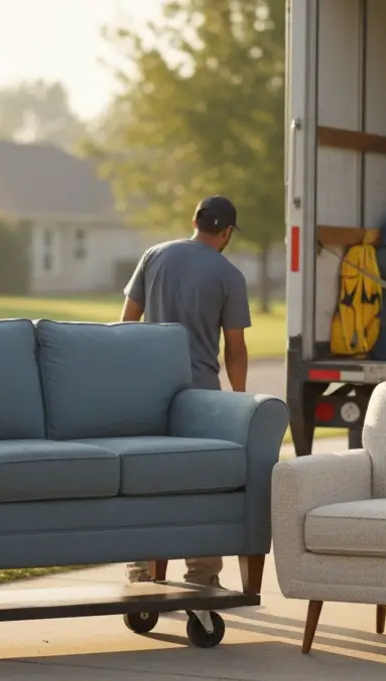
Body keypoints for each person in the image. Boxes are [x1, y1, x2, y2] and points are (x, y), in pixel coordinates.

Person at [120, 195, 252, 588]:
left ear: (195, 222)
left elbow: (127, 323)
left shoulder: (153, 256)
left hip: (147, 390)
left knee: (146, 481)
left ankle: (140, 570)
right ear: (227, 233)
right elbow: (235, 347)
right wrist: (239, 398)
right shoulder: (229, 275)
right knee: (203, 484)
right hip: (201, 396)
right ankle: (202, 576)